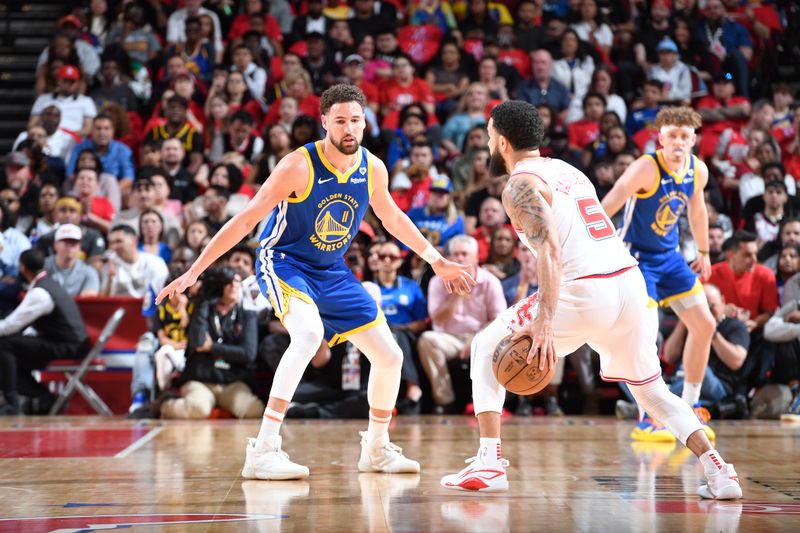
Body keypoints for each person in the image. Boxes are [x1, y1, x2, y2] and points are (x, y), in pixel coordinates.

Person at [158, 84, 475, 480]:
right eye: (339, 120)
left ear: (364, 123)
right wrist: (194, 271)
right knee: (307, 335)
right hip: (285, 263)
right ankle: (264, 449)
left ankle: (376, 448)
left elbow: (392, 218)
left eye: (355, 121)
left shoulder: (372, 167)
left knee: (390, 356)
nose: (348, 129)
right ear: (324, 121)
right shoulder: (298, 165)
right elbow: (246, 220)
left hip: (332, 268)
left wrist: (436, 259)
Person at [440, 100, 741, 500]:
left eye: (491, 135)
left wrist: (545, 317)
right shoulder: (566, 169)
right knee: (652, 392)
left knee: (484, 346)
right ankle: (719, 470)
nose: (490, 143)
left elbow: (550, 251)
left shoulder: (519, 185)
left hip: (585, 289)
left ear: (502, 141)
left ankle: (490, 462)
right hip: (628, 284)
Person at [601, 107, 718, 442]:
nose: (678, 142)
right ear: (660, 138)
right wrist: (591, 241)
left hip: (670, 257)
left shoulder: (698, 170)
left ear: (693, 139)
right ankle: (648, 415)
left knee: (705, 325)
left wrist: (705, 251)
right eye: (672, 136)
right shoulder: (645, 167)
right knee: (646, 337)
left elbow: (697, 211)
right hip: (636, 258)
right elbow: (610, 202)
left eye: (684, 136)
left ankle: (690, 407)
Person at [0, 249, 88, 415]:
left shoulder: (40, 293)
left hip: (69, 347)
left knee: (4, 345)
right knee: (10, 352)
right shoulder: (49, 283)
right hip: (69, 343)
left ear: (22, 268)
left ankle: (14, 403)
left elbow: (10, 326)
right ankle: (44, 397)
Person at [44, 224, 100, 297]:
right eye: (66, 242)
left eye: (74, 243)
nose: (70, 246)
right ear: (55, 244)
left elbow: (88, 302)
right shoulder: (42, 267)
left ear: (79, 247)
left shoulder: (89, 272)